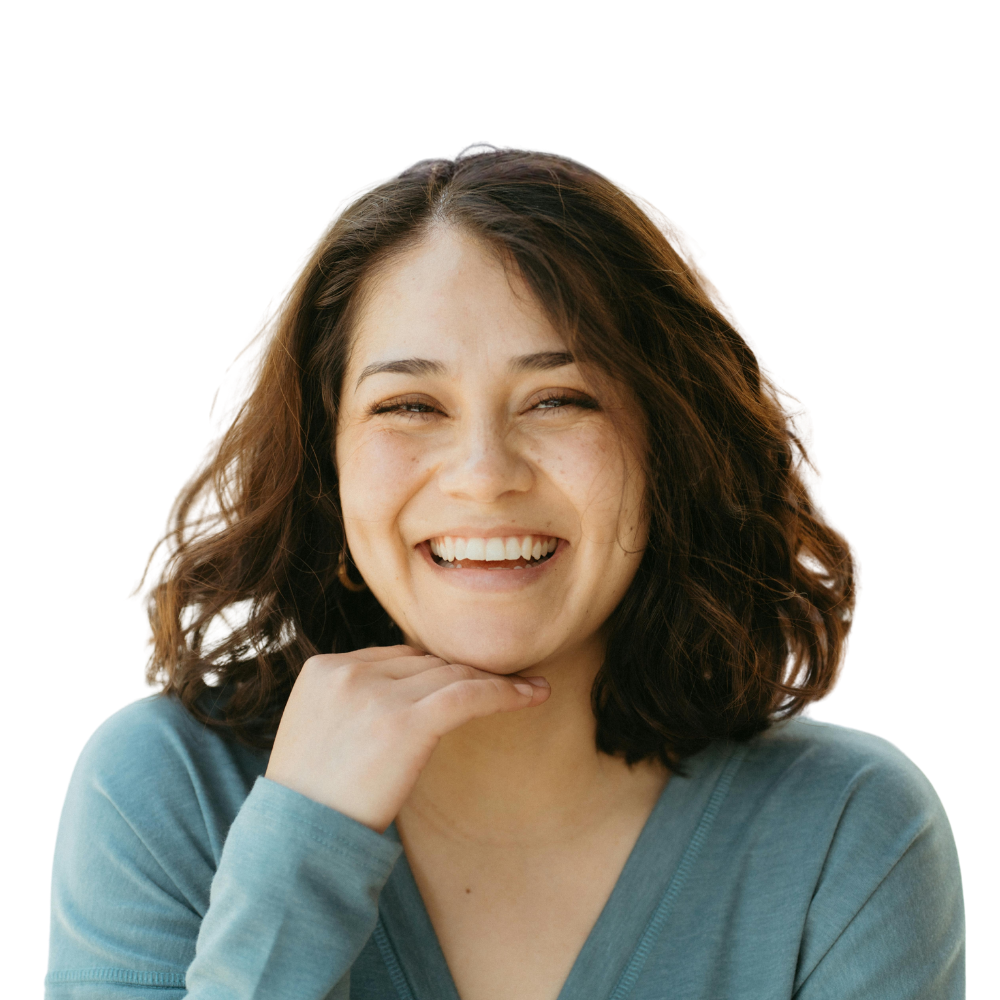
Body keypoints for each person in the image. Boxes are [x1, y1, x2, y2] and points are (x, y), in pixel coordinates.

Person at [45, 144, 966, 999]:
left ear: (670, 453)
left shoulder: (851, 830)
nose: (485, 475)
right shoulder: (161, 789)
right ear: (324, 470)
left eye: (560, 399)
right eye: (409, 404)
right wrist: (302, 844)